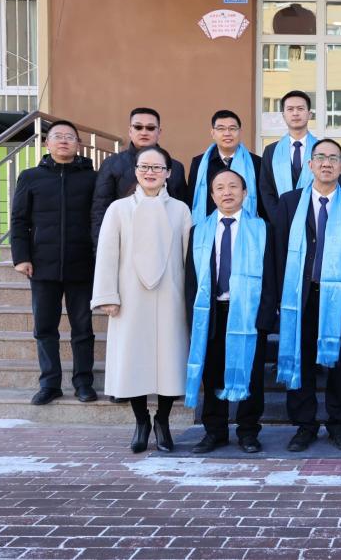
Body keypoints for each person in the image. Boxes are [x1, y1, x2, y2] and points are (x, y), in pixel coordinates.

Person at [91, 146, 192, 453]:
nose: (151, 172)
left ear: (168, 173)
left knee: (170, 362)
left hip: (171, 296)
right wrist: (108, 295)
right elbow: (107, 254)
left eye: (157, 167)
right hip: (129, 297)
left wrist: (190, 299)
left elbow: (188, 258)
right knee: (133, 360)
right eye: (144, 167)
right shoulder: (118, 209)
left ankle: (162, 421)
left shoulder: (180, 210)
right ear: (135, 171)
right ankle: (141, 421)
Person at [274, 139, 341, 452]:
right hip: (300, 296)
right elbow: (277, 252)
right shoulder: (290, 203)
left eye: (333, 158)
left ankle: (339, 425)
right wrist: (279, 296)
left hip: (340, 299)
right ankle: (305, 426)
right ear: (310, 165)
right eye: (320, 157)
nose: (326, 163)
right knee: (300, 361)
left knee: (340, 366)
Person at [184, 169, 279, 454]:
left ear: (245, 193)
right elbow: (191, 280)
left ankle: (248, 431)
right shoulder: (199, 231)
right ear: (212, 195)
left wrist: (266, 317)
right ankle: (215, 431)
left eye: (233, 186)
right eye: (220, 187)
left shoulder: (262, 229)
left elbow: (271, 276)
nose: (227, 192)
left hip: (249, 313)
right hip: (212, 312)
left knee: (251, 374)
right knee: (213, 374)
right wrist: (192, 317)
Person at [11, 121, 98, 406]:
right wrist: (21, 257)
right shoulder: (30, 177)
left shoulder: (92, 178)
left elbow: (99, 219)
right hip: (42, 265)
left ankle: (83, 382)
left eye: (69, 137)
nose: (63, 141)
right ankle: (49, 383)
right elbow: (19, 220)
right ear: (47, 143)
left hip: (81, 264)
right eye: (57, 136)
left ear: (78, 144)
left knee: (82, 328)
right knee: (45, 327)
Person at [91, 107, 188, 250]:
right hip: (125, 244)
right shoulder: (111, 164)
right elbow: (100, 211)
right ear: (130, 131)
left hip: (165, 244)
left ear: (159, 132)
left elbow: (182, 210)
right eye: (138, 127)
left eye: (150, 128)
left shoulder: (176, 167)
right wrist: (101, 250)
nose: (144, 132)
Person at [187, 110, 263, 223]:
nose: (227, 133)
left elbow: (262, 203)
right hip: (209, 227)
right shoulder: (199, 163)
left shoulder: (256, 163)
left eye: (232, 128)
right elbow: (191, 198)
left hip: (246, 227)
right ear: (213, 133)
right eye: (221, 129)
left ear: (240, 132)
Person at [260, 91, 319, 215]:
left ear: (309, 114)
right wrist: (278, 217)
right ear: (283, 115)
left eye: (300, 109)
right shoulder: (271, 151)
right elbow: (266, 190)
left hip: (315, 217)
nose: (295, 113)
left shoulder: (322, 150)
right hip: (280, 217)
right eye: (290, 109)